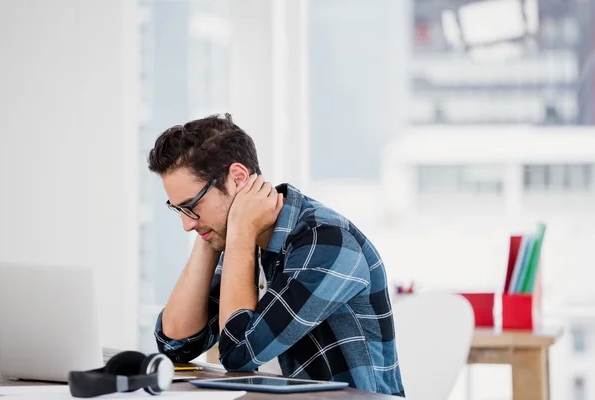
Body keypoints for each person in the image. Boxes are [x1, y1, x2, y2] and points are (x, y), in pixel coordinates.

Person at [147, 113, 405, 396]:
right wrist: (208, 235)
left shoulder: (326, 243)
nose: (186, 224)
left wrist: (239, 230)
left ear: (238, 179)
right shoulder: (241, 241)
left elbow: (239, 352)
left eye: (192, 205)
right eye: (179, 210)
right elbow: (176, 344)